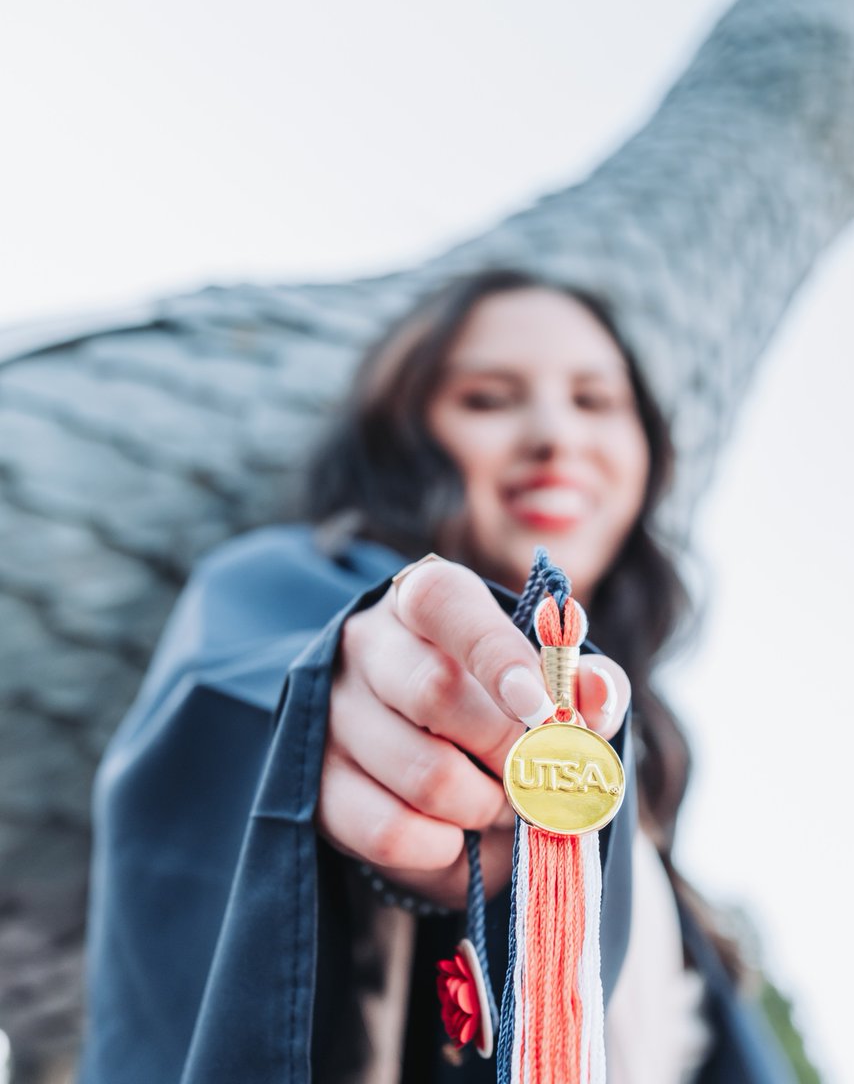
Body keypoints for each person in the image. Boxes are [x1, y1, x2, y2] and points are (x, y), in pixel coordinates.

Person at [80, 269, 797, 1083]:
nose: (556, 437)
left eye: (595, 401)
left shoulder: (647, 758)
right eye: (488, 399)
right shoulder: (274, 589)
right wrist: (336, 727)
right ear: (406, 438)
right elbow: (234, 701)